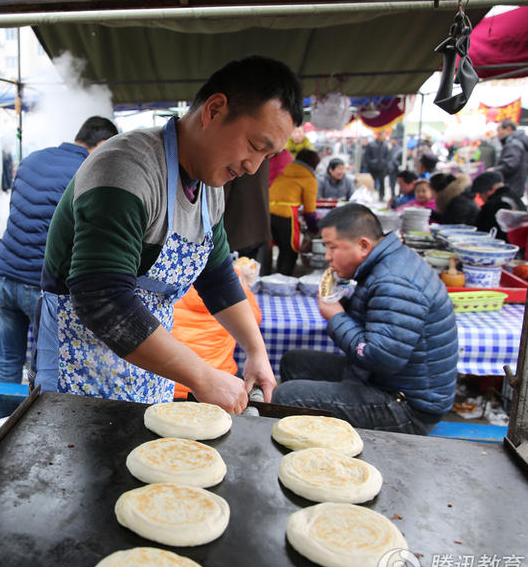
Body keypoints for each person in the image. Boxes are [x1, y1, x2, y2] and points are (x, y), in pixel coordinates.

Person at [35, 55, 303, 412]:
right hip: (79, 363)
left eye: (267, 156)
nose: (253, 167)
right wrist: (203, 377)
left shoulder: (211, 187)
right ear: (215, 110)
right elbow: (103, 300)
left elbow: (218, 277)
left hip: (149, 364)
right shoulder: (126, 170)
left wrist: (255, 351)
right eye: (255, 146)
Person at [272, 204, 457, 434]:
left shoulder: (394, 282)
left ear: (363, 245)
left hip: (407, 406)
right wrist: (345, 303)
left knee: (286, 395)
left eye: (332, 247)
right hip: (381, 380)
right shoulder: (387, 262)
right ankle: (315, 435)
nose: (328, 257)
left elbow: (380, 358)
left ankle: (316, 454)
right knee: (294, 362)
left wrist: (336, 316)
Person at [0, 116, 118, 392]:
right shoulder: (89, 170)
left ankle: (3, 427)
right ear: (105, 144)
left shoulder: (32, 159)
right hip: (39, 285)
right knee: (44, 371)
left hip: (4, 276)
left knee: (8, 364)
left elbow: (18, 212)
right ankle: (31, 431)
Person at [269, 148, 320, 276]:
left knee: (277, 248)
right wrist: (314, 228)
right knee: (290, 250)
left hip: (268, 213)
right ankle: (284, 280)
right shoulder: (309, 178)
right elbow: (310, 210)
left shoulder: (285, 172)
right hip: (286, 215)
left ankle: (272, 277)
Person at [472, 170, 526, 241]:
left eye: (481, 193)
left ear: (491, 189)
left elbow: (482, 231)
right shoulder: (514, 197)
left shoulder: (494, 205)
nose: (480, 197)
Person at [493, 119, 528, 197]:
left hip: (511, 186)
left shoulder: (513, 144)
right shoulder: (515, 142)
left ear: (508, 129)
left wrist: (494, 170)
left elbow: (510, 164)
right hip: (515, 185)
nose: (498, 134)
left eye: (499, 130)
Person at [364, 130, 391, 200]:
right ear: (379, 136)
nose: (384, 137)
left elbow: (387, 156)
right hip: (372, 167)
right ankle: (369, 196)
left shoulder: (385, 145)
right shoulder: (371, 144)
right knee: (371, 182)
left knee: (382, 183)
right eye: (383, 135)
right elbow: (366, 156)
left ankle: (381, 196)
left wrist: (384, 163)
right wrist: (372, 162)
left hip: (382, 167)